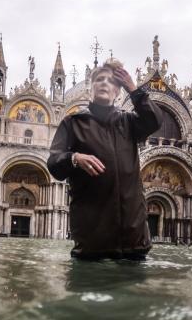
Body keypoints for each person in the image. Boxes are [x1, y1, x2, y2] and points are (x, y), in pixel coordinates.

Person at [47, 58, 162, 260]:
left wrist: (133, 89)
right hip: (93, 243)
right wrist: (74, 158)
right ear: (91, 87)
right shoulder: (73, 123)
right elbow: (54, 163)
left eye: (110, 81)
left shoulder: (129, 122)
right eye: (99, 79)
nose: (104, 83)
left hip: (134, 241)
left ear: (117, 91)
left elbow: (154, 120)